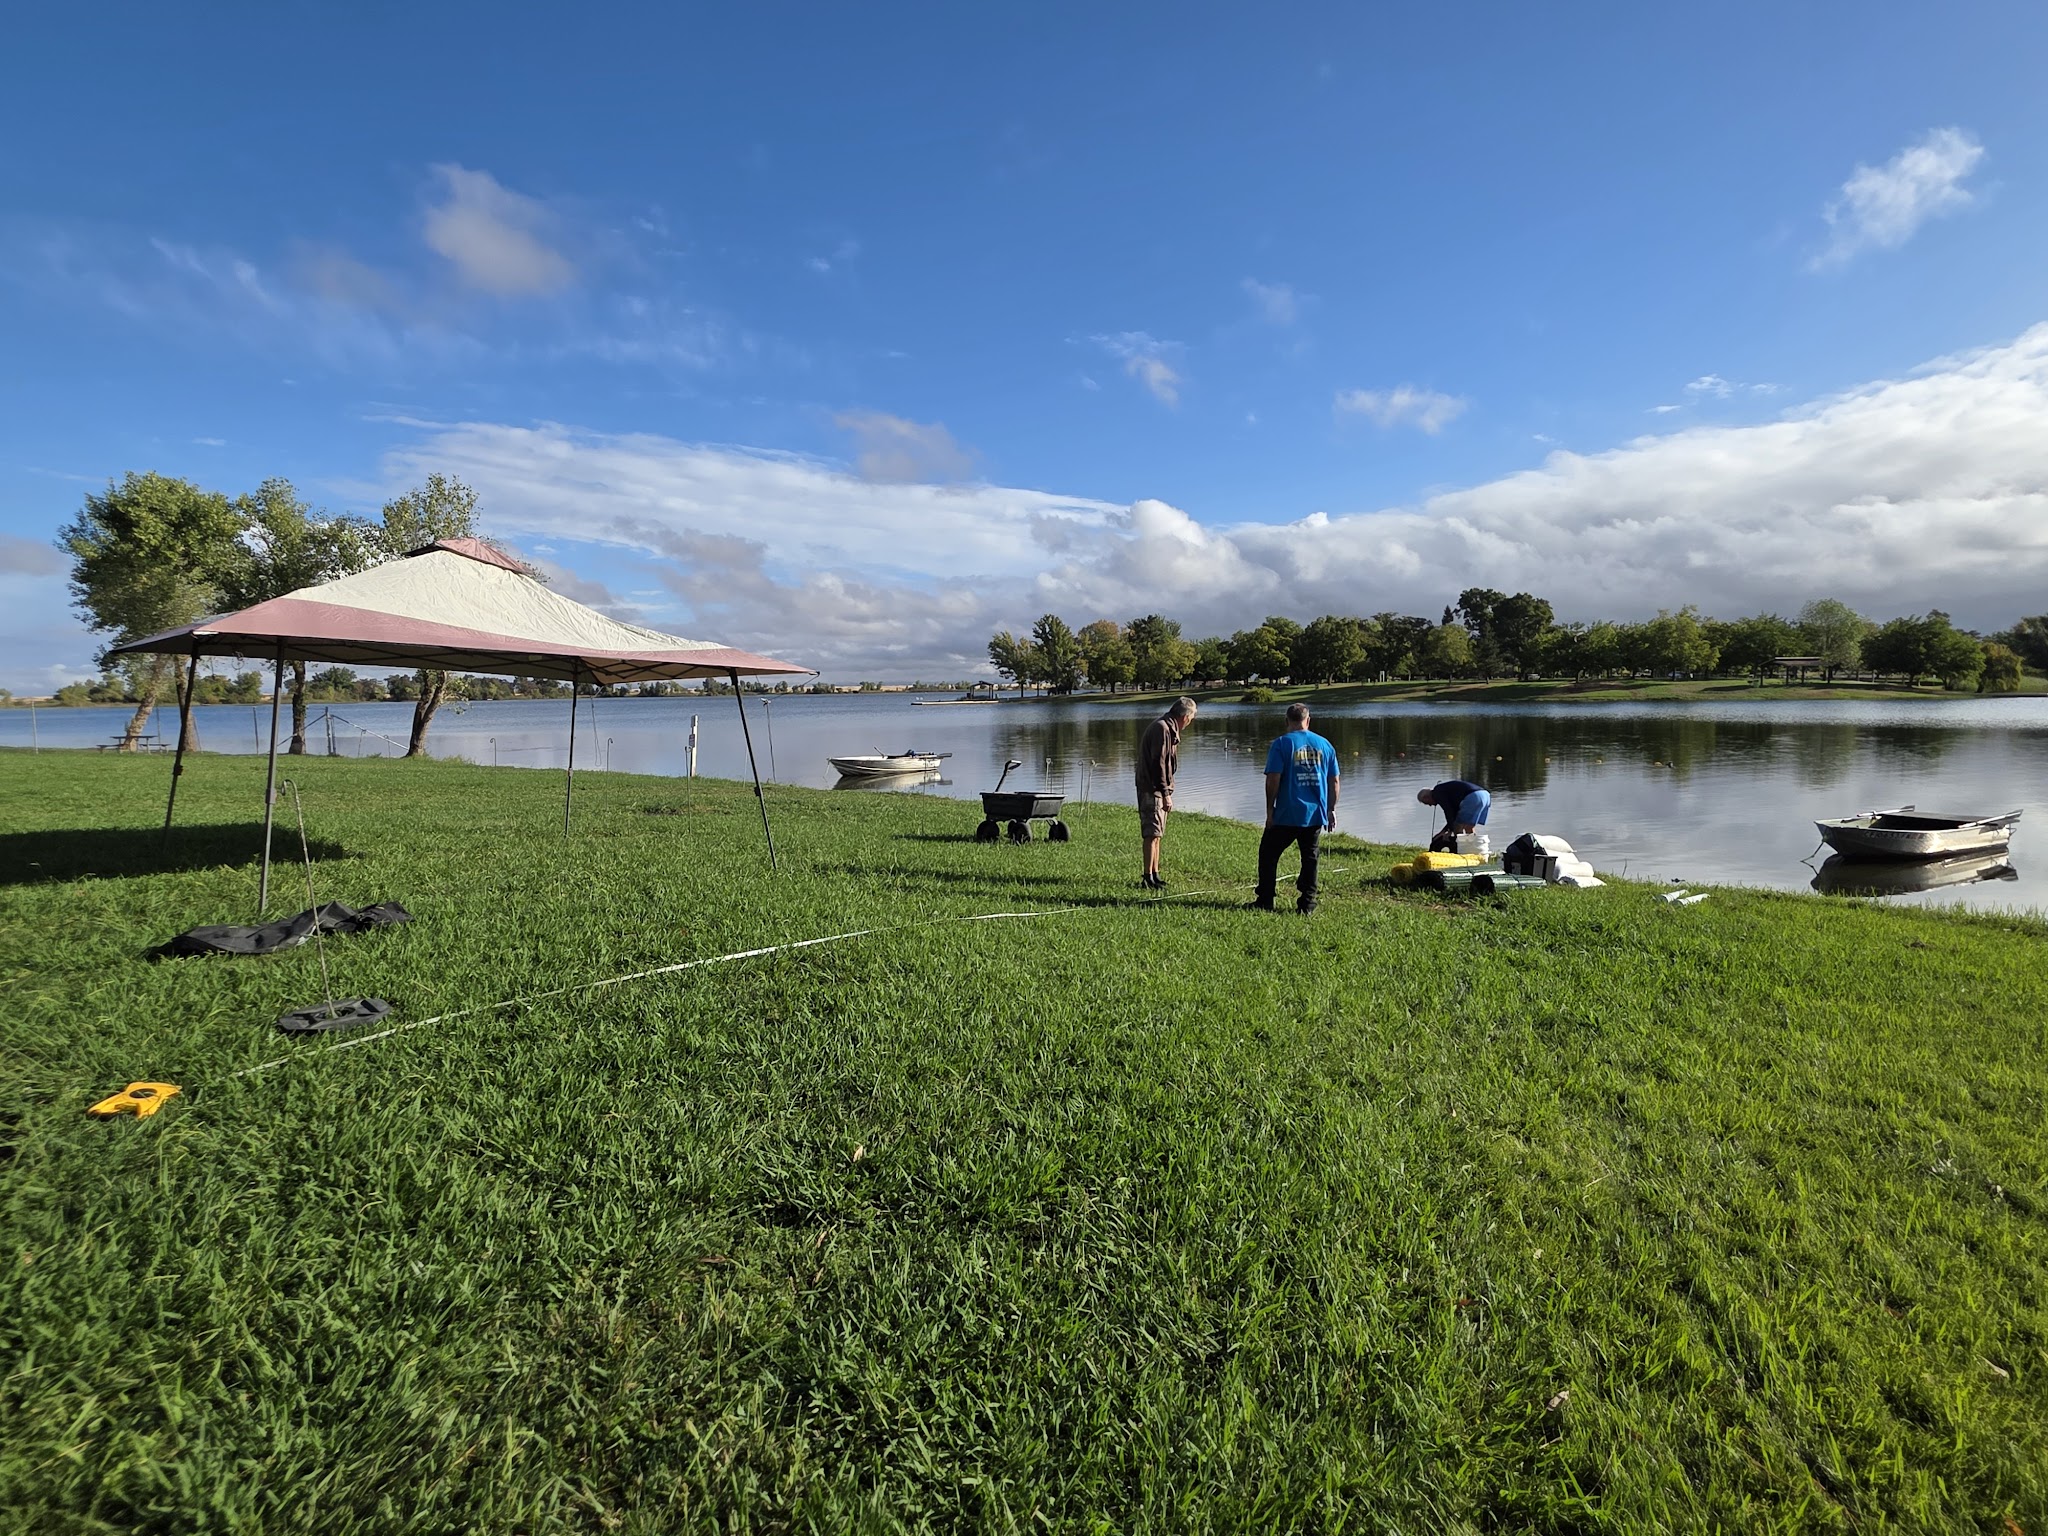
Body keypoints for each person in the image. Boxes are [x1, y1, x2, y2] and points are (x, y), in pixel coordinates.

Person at [1255, 702, 1339, 913]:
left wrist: (1269, 810)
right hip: (1314, 814)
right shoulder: (1325, 744)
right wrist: (1330, 809)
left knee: (1268, 854)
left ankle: (1265, 899)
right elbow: (1334, 781)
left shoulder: (1281, 744)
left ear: (1286, 721)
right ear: (1308, 721)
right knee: (1310, 858)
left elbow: (1273, 779)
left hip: (1286, 812)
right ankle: (1307, 903)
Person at [1135, 696, 1196, 889]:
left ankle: (1155, 873)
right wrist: (1165, 793)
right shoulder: (1162, 728)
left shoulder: (1170, 728)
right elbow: (1158, 764)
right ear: (1185, 716)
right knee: (1151, 833)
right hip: (1152, 789)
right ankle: (1147, 877)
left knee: (1158, 834)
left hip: (1159, 789)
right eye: (1192, 716)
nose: (1191, 721)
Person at [1419, 777, 1490, 851]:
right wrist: (1445, 831)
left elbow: (1448, 811)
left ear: (1426, 797)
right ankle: (1474, 850)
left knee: (1458, 827)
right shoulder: (1443, 791)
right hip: (1484, 795)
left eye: (1426, 803)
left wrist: (1449, 831)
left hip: (1472, 797)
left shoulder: (1437, 793)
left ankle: (1459, 851)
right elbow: (1454, 815)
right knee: (1469, 826)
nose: (1430, 805)